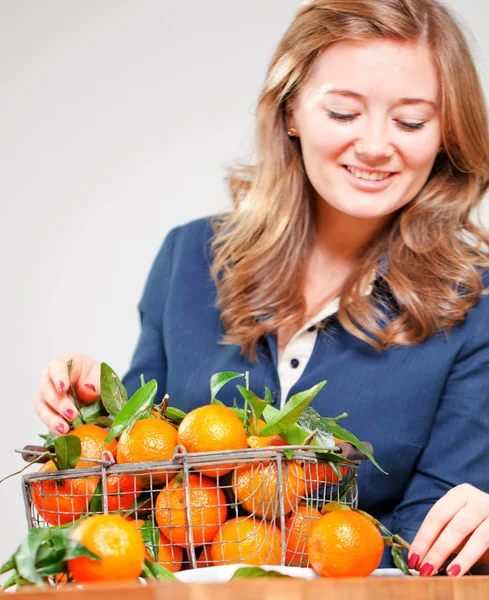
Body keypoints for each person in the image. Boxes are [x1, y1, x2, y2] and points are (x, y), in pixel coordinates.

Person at [35, 0, 489, 571]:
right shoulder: (190, 259)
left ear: (446, 133)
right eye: (345, 113)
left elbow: (430, 539)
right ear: (291, 110)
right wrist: (92, 414)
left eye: (410, 121)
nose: (376, 145)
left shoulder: (475, 305)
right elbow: (133, 494)